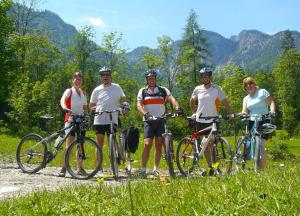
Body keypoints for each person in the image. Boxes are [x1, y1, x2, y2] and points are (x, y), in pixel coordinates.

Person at [137, 69, 183, 177]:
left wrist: (177, 108)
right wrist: (145, 114)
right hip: (149, 121)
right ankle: (143, 169)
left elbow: (172, 99)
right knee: (147, 144)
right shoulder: (143, 91)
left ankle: (155, 169)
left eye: (153, 78)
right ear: (147, 80)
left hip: (161, 120)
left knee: (158, 145)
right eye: (149, 78)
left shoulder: (163, 90)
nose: (151, 80)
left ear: (155, 79)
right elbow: (139, 105)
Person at [190, 67, 233, 175]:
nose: (205, 78)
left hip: (213, 120)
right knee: (206, 144)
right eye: (203, 76)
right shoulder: (198, 89)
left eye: (207, 76)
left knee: (212, 143)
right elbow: (192, 100)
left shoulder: (217, 88)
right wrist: (194, 112)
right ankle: (211, 167)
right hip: (201, 120)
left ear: (210, 77)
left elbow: (225, 102)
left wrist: (230, 113)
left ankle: (215, 167)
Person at [89, 66, 129, 176]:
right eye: (103, 75)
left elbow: (123, 100)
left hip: (113, 118)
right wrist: (95, 109)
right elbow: (91, 105)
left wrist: (125, 107)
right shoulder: (97, 90)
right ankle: (99, 168)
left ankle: (113, 166)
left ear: (110, 76)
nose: (105, 77)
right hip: (100, 119)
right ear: (100, 77)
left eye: (107, 75)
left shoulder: (117, 87)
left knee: (112, 144)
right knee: (99, 144)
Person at [241, 76, 276, 169]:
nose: (249, 86)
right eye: (246, 85)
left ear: (254, 84)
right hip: (252, 122)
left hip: (264, 120)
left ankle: (261, 170)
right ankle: (257, 168)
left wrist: (272, 112)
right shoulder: (246, 98)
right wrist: (243, 114)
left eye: (251, 83)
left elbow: (271, 102)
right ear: (245, 88)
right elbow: (245, 111)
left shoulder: (262, 92)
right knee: (254, 144)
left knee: (261, 144)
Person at [59, 71, 88, 177]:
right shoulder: (69, 91)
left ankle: (80, 168)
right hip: (70, 119)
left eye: (79, 79)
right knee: (69, 145)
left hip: (81, 120)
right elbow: (63, 100)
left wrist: (87, 115)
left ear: (82, 81)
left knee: (80, 145)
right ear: (73, 80)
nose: (77, 80)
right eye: (76, 78)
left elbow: (85, 107)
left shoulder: (83, 93)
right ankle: (63, 168)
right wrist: (64, 107)